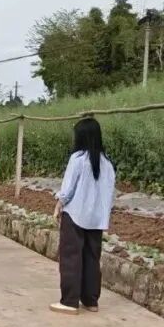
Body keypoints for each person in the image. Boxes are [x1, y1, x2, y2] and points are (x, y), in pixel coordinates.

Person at [50, 117, 116, 314]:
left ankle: (69, 301)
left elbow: (68, 189)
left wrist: (59, 204)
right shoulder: (107, 164)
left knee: (71, 256)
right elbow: (110, 194)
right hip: (97, 219)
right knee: (92, 257)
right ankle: (91, 300)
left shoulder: (78, 159)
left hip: (76, 214)